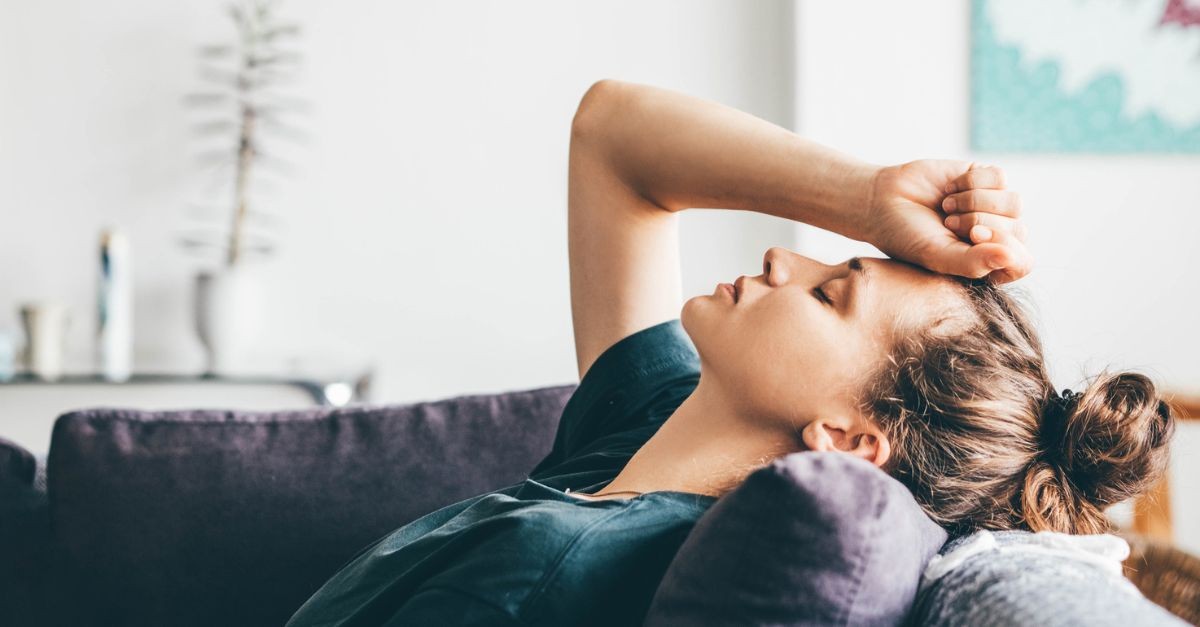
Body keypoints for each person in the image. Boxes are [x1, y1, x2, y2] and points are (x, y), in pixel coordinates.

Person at [287, 80, 1175, 626]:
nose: (785, 257)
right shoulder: (648, 426)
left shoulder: (550, 571)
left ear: (851, 437)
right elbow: (614, 135)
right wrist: (868, 200)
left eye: (831, 293)